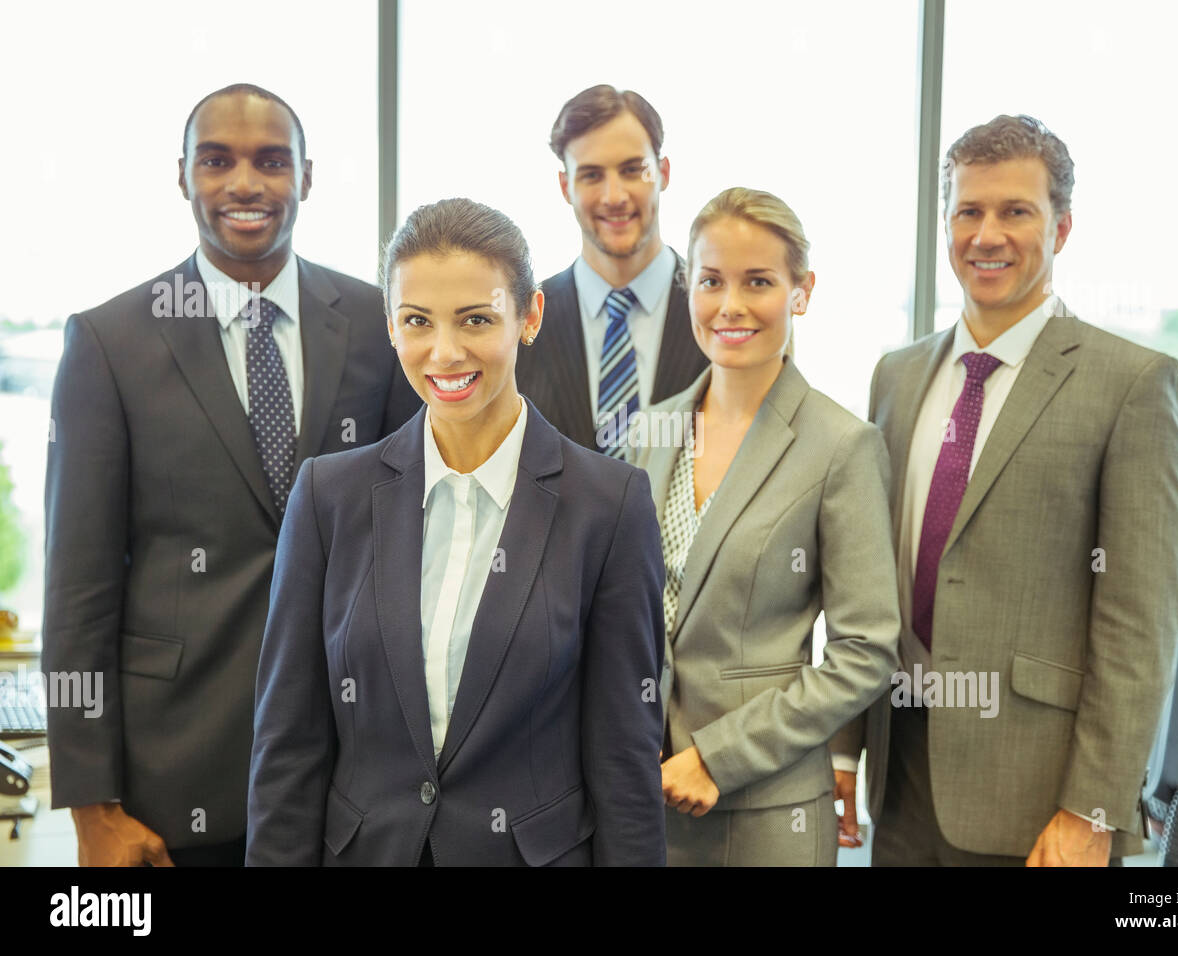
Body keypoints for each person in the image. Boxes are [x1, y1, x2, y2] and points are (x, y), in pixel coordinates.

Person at [41, 84, 419, 867]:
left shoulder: (378, 326)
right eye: (216, 161)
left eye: (270, 161)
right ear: (182, 177)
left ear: (307, 178)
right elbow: (76, 590)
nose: (244, 183)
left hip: (351, 779)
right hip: (171, 792)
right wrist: (90, 806)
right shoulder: (110, 343)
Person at [246, 198, 667, 866]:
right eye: (418, 321)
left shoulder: (608, 507)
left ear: (528, 317)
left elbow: (624, 758)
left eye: (476, 319)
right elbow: (288, 745)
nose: (444, 352)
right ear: (390, 326)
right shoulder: (329, 497)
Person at [832, 115, 1178, 866]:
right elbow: (865, 582)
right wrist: (844, 750)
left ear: (1060, 229)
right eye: (969, 211)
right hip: (900, 778)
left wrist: (1093, 807)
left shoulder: (1130, 384)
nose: (986, 234)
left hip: (1039, 801)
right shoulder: (896, 375)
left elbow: (1140, 624)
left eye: (1015, 211)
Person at [634, 187, 900, 866]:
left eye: (759, 282)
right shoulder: (650, 431)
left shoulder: (841, 446)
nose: (730, 305)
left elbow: (865, 652)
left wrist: (717, 758)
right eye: (711, 280)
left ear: (800, 291)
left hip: (764, 813)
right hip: (643, 801)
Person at [515, 84, 707, 457]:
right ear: (565, 186)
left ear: (663, 172)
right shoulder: (523, 321)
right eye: (591, 175)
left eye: (632, 170)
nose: (614, 196)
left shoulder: (717, 311)